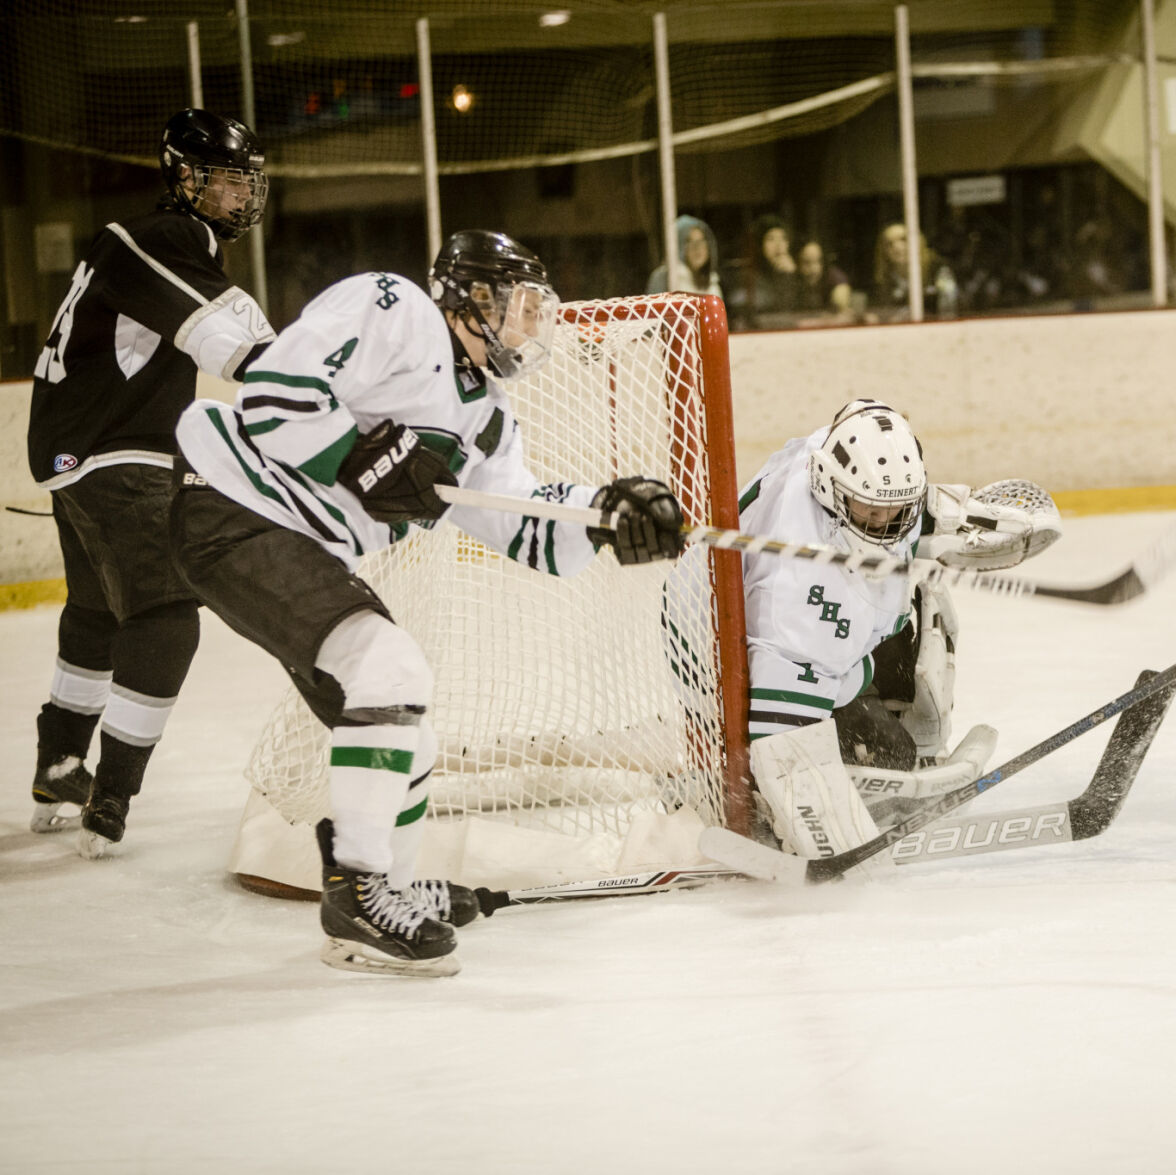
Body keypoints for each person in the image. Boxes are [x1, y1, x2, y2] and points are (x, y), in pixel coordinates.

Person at [168, 230, 686, 976]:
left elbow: (516, 518)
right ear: (476, 299)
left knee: (409, 730)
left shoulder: (487, 415)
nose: (535, 327)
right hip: (233, 504)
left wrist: (605, 515)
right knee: (391, 670)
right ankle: (359, 889)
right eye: (526, 308)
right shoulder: (395, 309)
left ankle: (388, 885)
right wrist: (357, 454)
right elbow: (274, 387)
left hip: (298, 543)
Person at [26, 109, 274, 856]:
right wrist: (317, 387)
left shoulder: (162, 244)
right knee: (166, 611)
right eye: (226, 180)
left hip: (80, 454)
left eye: (246, 182)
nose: (239, 196)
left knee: (99, 609)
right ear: (185, 178)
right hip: (118, 451)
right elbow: (230, 340)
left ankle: (61, 763)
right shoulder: (164, 235)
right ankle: (112, 795)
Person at [737, 399, 1062, 867]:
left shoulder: (827, 457)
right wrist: (828, 839)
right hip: (749, 664)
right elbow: (784, 745)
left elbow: (866, 416)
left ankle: (886, 724)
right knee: (893, 751)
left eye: (898, 510)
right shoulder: (803, 602)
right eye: (870, 512)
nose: (885, 525)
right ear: (831, 490)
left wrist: (957, 518)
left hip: (775, 625)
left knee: (920, 594)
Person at [871, 223, 956, 320]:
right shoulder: (883, 279)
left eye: (904, 239)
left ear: (919, 242)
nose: (897, 246)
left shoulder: (938, 269)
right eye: (889, 243)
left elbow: (950, 309)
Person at [734, 215, 801, 329]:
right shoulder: (748, 277)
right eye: (771, 239)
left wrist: (792, 276)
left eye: (783, 238)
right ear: (760, 245)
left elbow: (803, 310)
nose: (779, 245)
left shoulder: (797, 273)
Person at [645, 215, 722, 300]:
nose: (697, 247)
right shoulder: (665, 278)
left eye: (701, 241)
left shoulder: (712, 283)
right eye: (689, 242)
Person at [795, 238, 852, 320]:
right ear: (797, 263)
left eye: (818, 261)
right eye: (806, 262)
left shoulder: (834, 277)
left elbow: (842, 307)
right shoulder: (792, 278)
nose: (813, 269)